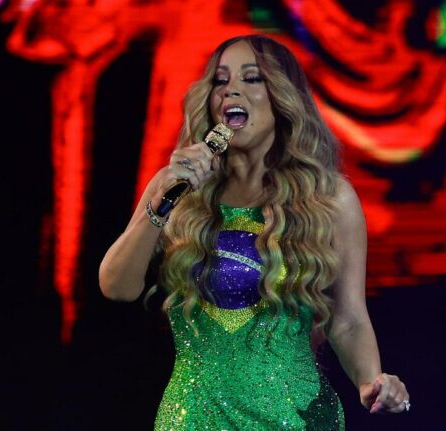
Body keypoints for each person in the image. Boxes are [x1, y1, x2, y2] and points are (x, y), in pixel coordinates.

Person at [99, 34, 410, 430]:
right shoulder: (175, 188)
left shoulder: (329, 198)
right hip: (194, 417)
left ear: (282, 97)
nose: (231, 90)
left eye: (251, 78)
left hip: (293, 417)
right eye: (221, 80)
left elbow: (347, 318)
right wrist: (162, 202)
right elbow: (116, 286)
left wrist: (371, 381)